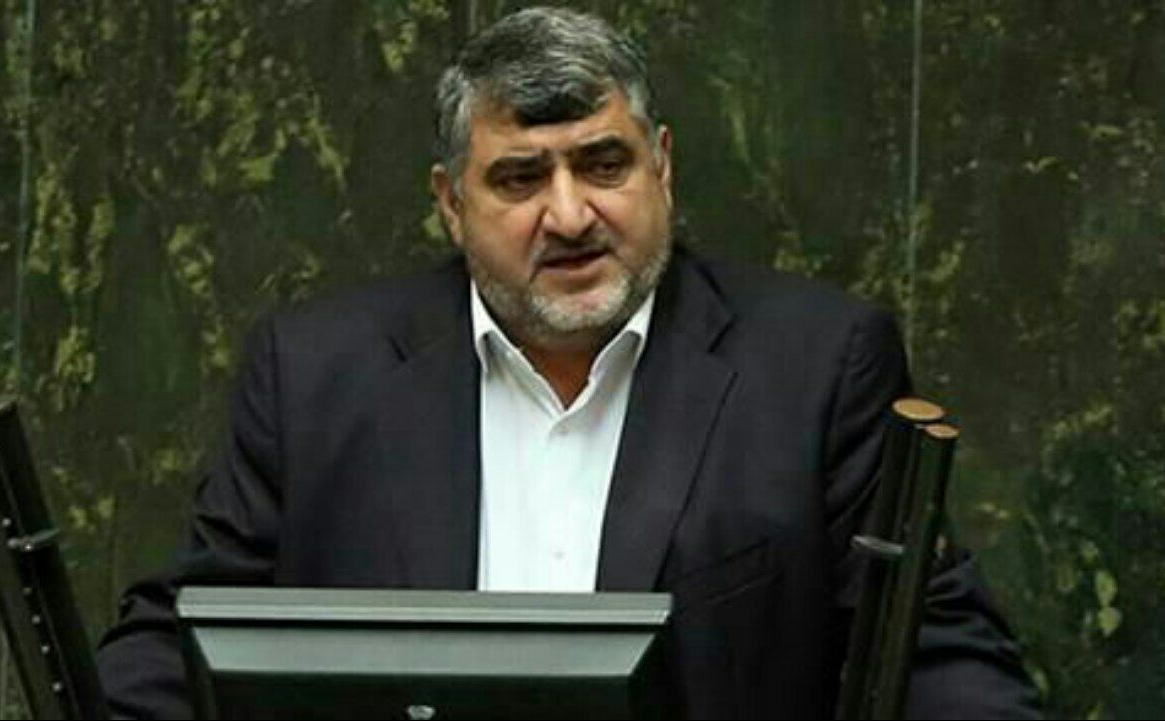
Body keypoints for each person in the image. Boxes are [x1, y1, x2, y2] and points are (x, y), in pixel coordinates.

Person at [97, 7, 1040, 718]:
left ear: (661, 165)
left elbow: (930, 651)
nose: (570, 213)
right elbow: (184, 636)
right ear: (450, 204)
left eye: (602, 165)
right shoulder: (316, 373)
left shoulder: (817, 366)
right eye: (520, 178)